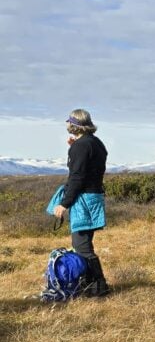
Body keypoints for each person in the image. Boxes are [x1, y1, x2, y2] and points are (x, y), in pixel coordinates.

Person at [53, 109, 110, 297]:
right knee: (83, 242)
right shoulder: (95, 143)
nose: (66, 124)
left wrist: (64, 204)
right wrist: (74, 147)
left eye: (68, 121)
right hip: (93, 197)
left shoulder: (81, 146)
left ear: (74, 124)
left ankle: (98, 287)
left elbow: (77, 177)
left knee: (82, 244)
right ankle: (89, 285)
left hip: (83, 200)